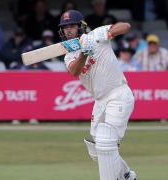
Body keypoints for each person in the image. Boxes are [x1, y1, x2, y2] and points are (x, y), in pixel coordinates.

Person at [59, 10, 137, 180]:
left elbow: (125, 26)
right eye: (65, 27)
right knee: (97, 151)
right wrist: (84, 52)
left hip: (118, 93)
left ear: (81, 26)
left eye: (72, 25)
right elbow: (74, 71)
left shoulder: (96, 34)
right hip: (100, 101)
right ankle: (127, 176)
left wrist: (104, 34)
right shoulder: (69, 55)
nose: (69, 30)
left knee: (106, 142)